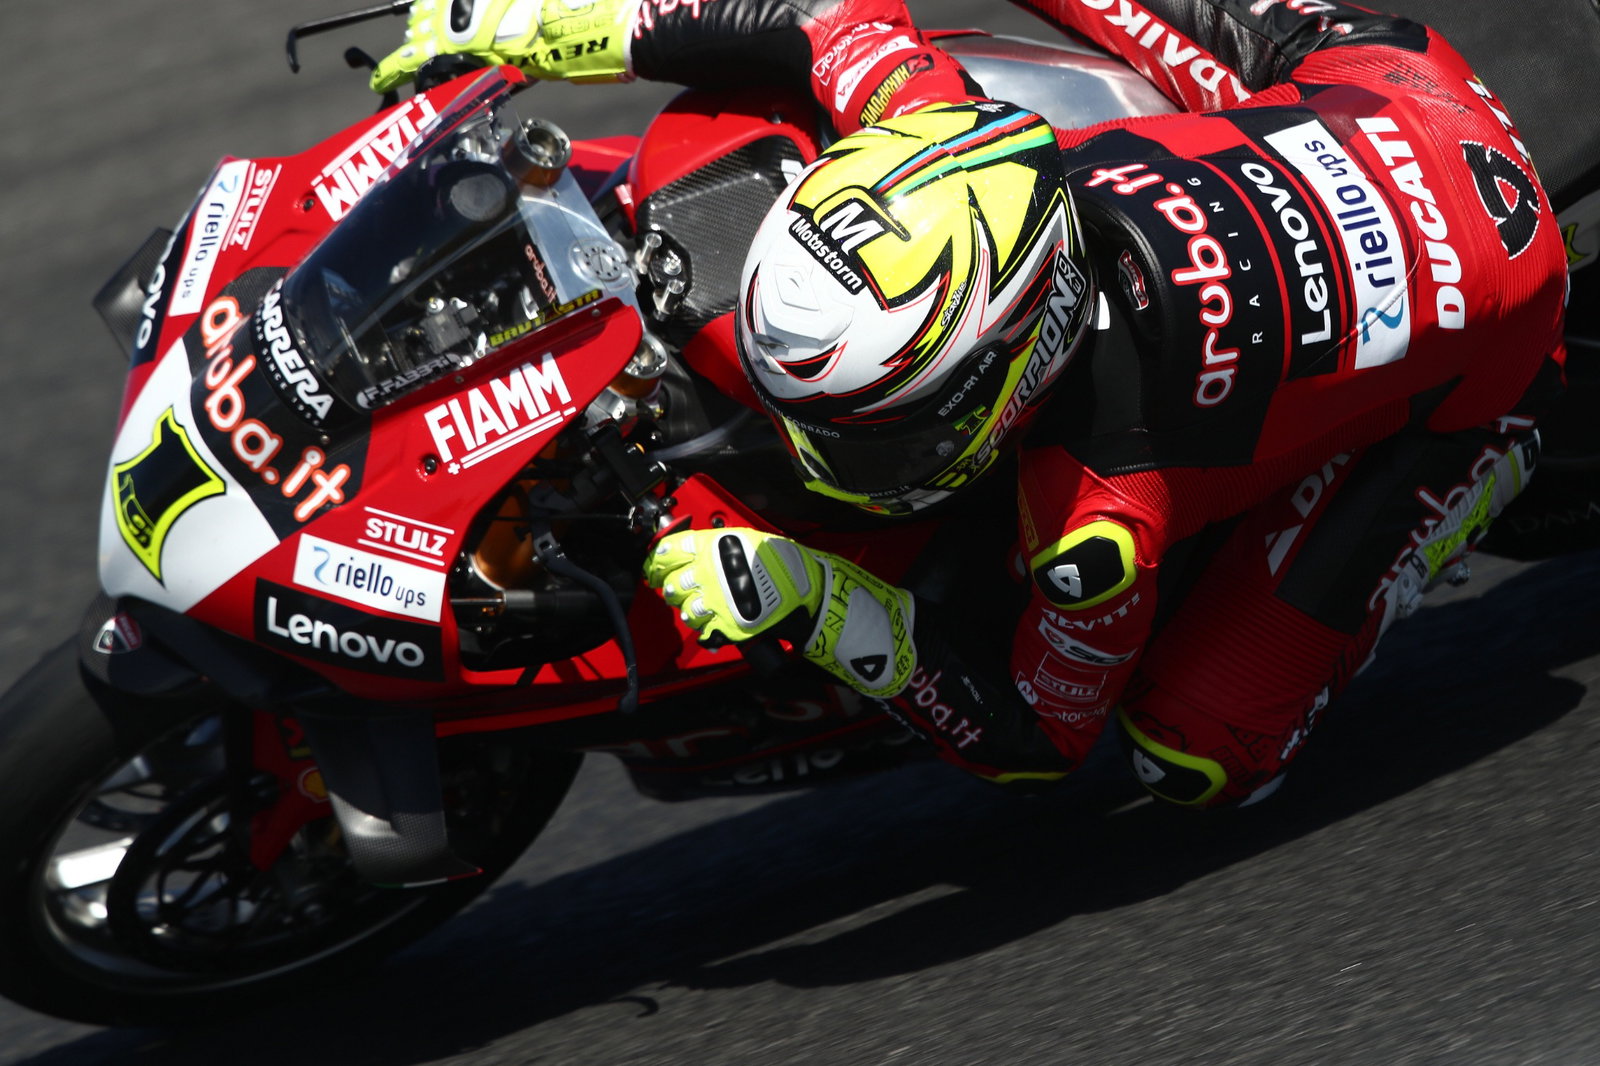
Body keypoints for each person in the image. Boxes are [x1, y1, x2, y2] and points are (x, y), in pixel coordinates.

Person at [375, 0, 1568, 806]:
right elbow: (821, 11)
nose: (818, 450)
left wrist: (822, 597)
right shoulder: (930, 125)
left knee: (1198, 750)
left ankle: (1485, 470)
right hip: (1364, 79)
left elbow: (1036, 738)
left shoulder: (1099, 523)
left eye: (871, 425)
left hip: (1494, 312)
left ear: (1012, 371)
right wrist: (541, 26)